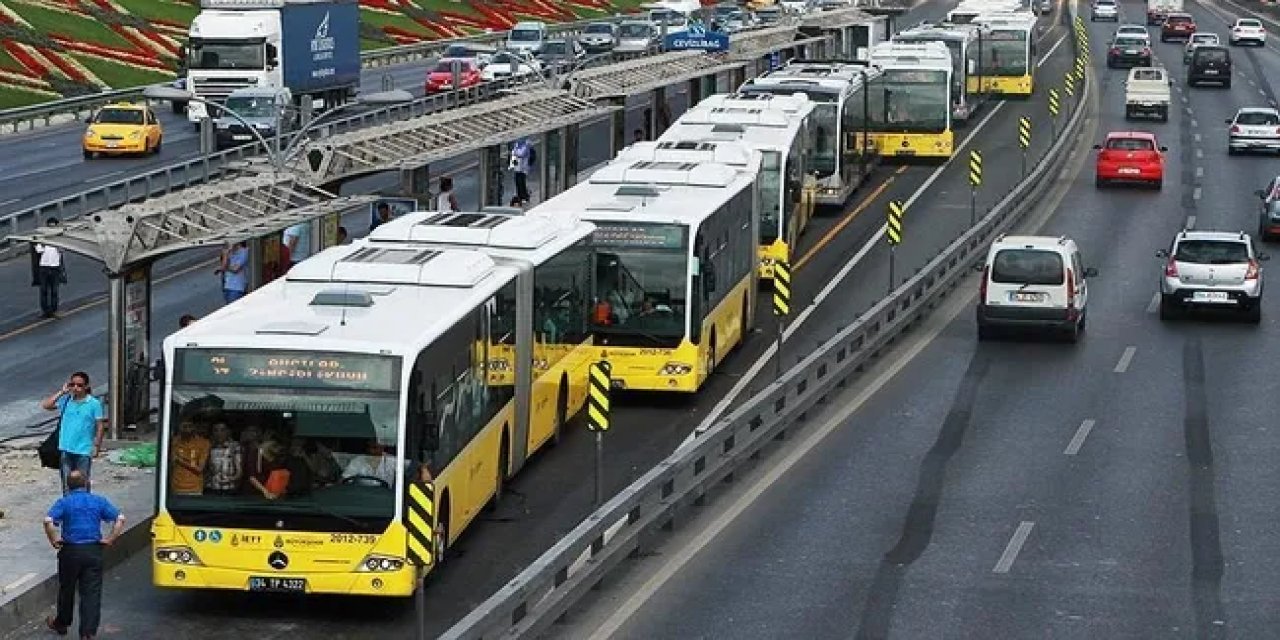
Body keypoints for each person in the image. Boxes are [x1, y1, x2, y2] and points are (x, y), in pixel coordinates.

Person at [43, 470, 124, 640]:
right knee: (91, 592)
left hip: (70, 551)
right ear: (87, 484)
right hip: (93, 551)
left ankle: (62, 623)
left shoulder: (64, 502)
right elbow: (120, 519)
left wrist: (54, 538)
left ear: (68, 486)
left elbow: (48, 521)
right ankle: (87, 632)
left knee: (67, 589)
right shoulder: (98, 501)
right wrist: (110, 539)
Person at [41, 372, 107, 495]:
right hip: (66, 448)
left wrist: (97, 446)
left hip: (83, 450)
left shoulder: (93, 404)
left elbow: (100, 426)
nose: (75, 388)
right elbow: (47, 405)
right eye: (73, 384)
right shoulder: (67, 400)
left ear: (86, 386)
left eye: (79, 385)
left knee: (83, 483)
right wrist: (62, 392)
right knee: (67, 484)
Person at [169, 421, 211, 496]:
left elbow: (199, 469)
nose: (187, 429)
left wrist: (179, 460)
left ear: (194, 427)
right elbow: (171, 464)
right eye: (184, 426)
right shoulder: (174, 442)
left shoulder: (203, 443)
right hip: (176, 487)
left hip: (194, 488)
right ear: (179, 428)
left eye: (189, 426)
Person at [34, 218, 65, 318]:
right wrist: (42, 243)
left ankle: (54, 310)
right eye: (50, 226)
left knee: (54, 290)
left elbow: (62, 250)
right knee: (43, 290)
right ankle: (45, 311)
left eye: (53, 226)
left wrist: (58, 244)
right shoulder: (43, 237)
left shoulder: (60, 238)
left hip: (55, 266)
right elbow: (38, 250)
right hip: (44, 266)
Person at [204, 423, 241, 496]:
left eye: (222, 430)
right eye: (216, 430)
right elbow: (205, 468)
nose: (219, 433)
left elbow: (239, 470)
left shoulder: (234, 446)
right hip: (211, 488)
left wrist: (231, 479)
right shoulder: (208, 446)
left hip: (229, 488)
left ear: (228, 432)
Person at [245, 435, 287, 500]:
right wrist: (265, 491)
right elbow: (252, 477)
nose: (275, 448)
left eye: (277, 446)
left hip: (273, 494)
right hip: (253, 493)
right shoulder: (253, 454)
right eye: (274, 445)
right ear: (265, 442)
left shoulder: (278, 457)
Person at [510, 137, 533, 205]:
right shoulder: (517, 144)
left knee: (522, 182)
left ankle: (524, 197)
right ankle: (520, 196)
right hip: (517, 168)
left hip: (523, 169)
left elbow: (520, 153)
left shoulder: (526, 144)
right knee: (518, 183)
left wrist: (515, 152)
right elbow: (514, 152)